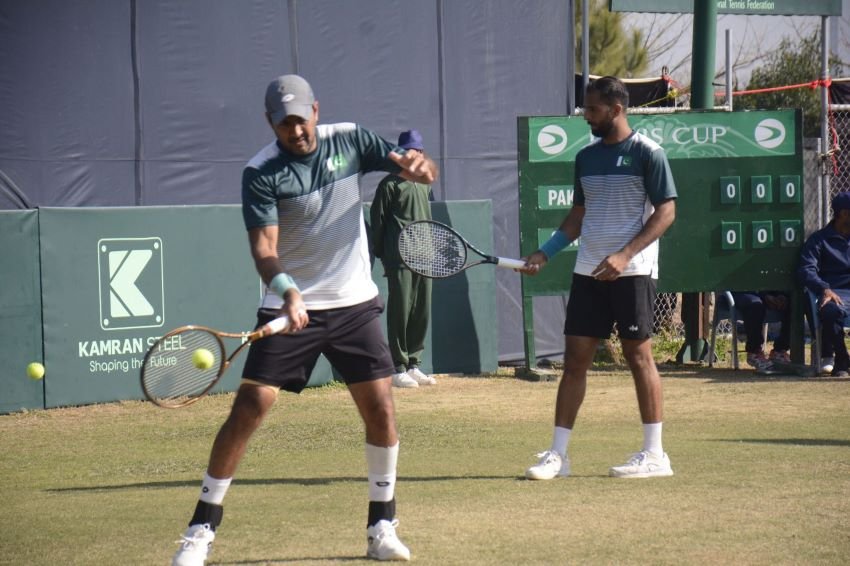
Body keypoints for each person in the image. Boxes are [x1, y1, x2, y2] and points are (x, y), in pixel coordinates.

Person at [171, 74, 438, 565]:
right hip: (290, 303)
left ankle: (382, 525)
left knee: (381, 408)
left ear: (316, 110)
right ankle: (200, 531)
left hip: (354, 303)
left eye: (300, 118)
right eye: (284, 123)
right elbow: (264, 250)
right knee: (249, 409)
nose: (295, 130)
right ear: (271, 123)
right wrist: (288, 291)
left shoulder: (351, 138)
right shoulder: (262, 171)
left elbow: (410, 166)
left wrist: (421, 168)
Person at [518, 76, 677, 480]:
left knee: (638, 356)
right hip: (587, 270)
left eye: (592, 109)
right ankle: (558, 455)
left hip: (633, 272)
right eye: (585, 108)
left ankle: (655, 454)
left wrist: (625, 255)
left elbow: (666, 212)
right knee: (575, 361)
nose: (586, 115)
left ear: (616, 109)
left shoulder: (649, 154)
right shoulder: (586, 157)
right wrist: (546, 253)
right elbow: (577, 217)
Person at [370, 129, 437, 389]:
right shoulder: (388, 185)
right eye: (410, 150)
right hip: (399, 259)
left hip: (425, 257)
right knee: (400, 313)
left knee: (421, 312)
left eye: (419, 150)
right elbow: (379, 225)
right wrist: (385, 258)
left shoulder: (424, 183)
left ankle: (413, 364)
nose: (415, 154)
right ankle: (397, 368)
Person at [798, 191, 850, 378]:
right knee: (830, 311)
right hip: (833, 293)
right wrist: (824, 288)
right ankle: (842, 359)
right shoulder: (819, 240)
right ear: (844, 214)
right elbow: (806, 269)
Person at [726, 291, 791, 371]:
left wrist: (779, 294)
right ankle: (754, 352)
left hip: (767, 291)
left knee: (793, 300)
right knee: (755, 304)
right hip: (740, 291)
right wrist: (764, 296)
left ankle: (780, 350)